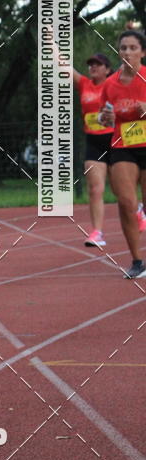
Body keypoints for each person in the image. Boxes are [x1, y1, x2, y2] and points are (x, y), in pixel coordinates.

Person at [99, 29, 146, 278]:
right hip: (122, 145)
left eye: (133, 47)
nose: (127, 52)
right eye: (123, 48)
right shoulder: (110, 84)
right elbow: (101, 114)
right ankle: (138, 261)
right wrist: (104, 117)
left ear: (143, 52)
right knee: (127, 203)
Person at [72, 52, 114, 247]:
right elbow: (63, 66)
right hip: (93, 142)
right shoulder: (84, 84)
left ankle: (138, 210)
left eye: (98, 64)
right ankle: (97, 232)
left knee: (121, 190)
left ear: (107, 69)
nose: (93, 67)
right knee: (95, 189)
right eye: (91, 65)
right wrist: (50, 43)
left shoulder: (115, 83)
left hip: (115, 141)